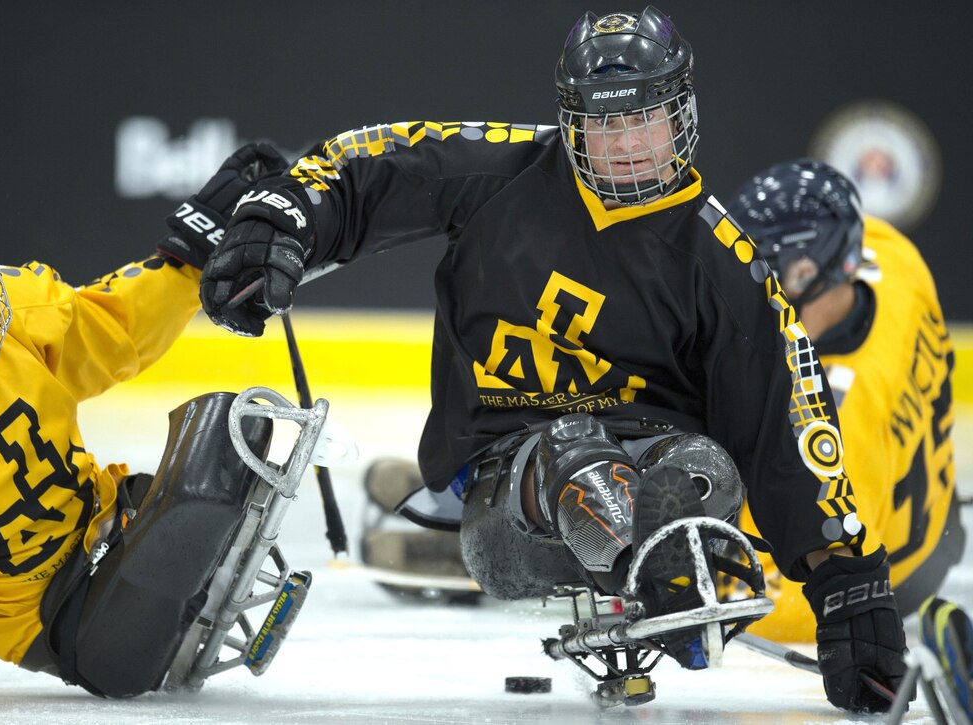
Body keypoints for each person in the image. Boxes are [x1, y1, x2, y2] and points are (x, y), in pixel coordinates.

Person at [200, 6, 907, 712]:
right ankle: (650, 555)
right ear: (573, 124)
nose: (628, 142)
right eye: (605, 124)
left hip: (667, 465)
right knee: (579, 446)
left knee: (702, 466)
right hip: (512, 496)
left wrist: (845, 579)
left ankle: (662, 544)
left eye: (646, 117)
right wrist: (286, 212)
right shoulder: (506, 174)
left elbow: (787, 428)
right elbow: (372, 166)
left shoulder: (726, 265)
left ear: (681, 114)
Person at [0, 141, 288, 698]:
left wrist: (198, 248)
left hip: (116, 523)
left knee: (237, 427)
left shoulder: (4, 315)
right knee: (209, 470)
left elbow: (111, 326)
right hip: (67, 626)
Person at [723, 159, 961, 642]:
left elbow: (789, 608)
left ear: (810, 270)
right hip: (938, 517)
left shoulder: (833, 420)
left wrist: (680, 583)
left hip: (896, 579)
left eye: (765, 275)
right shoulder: (895, 260)